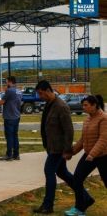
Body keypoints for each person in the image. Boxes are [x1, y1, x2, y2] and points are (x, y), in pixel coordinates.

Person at [33, 80, 84, 214]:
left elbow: (69, 130)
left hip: (59, 148)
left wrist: (67, 150)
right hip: (51, 147)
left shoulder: (61, 106)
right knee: (62, 173)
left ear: (48, 90)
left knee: (49, 171)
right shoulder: (49, 104)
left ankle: (48, 205)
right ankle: (85, 197)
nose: (40, 96)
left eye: (41, 93)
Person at [64, 95, 107, 216]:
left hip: (103, 156)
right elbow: (83, 140)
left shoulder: (103, 118)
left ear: (94, 105)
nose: (83, 108)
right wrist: (71, 152)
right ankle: (80, 207)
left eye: (86, 105)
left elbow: (103, 139)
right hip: (89, 155)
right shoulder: (88, 119)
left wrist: (93, 154)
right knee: (77, 178)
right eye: (83, 105)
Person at [0, 76, 22, 161]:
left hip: (9, 117)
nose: (6, 83)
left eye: (6, 82)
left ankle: (9, 155)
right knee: (15, 135)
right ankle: (16, 154)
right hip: (17, 116)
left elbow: (1, 102)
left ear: (10, 82)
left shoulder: (9, 91)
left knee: (9, 136)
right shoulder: (19, 91)